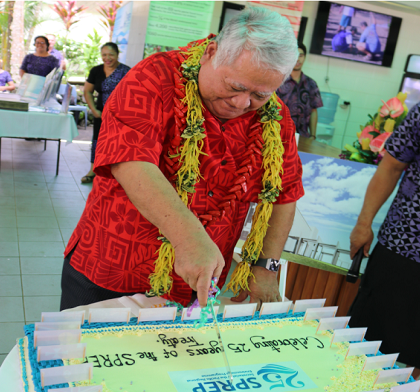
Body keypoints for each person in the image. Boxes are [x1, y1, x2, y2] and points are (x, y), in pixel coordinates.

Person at [61, 5, 303, 311]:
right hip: (115, 268)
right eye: (235, 87)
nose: (243, 103)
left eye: (260, 94)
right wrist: (189, 239)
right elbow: (131, 161)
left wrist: (265, 267)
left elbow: (285, 192)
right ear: (210, 53)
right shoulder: (154, 78)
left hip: (195, 281)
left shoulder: (275, 116)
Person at [346, 92, 420, 380]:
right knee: (374, 330)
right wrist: (363, 223)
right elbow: (390, 167)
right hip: (405, 241)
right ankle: (351, 388)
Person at [79, 43, 131, 184]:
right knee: (97, 141)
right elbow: (87, 91)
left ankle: (118, 174)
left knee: (118, 143)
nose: (107, 58)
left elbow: (132, 94)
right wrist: (94, 110)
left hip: (120, 115)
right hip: (100, 114)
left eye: (111, 55)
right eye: (104, 55)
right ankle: (93, 170)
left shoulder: (126, 71)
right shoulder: (96, 71)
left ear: (117, 55)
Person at [276, 42, 323, 139]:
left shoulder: (311, 84)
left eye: (301, 55)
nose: (298, 59)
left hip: (302, 137)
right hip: (278, 135)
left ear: (305, 57)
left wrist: (313, 135)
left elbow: (313, 110)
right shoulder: (278, 81)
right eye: (294, 55)